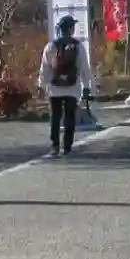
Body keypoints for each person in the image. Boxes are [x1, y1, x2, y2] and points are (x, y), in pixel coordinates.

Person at [38, 15, 94, 157]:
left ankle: (55, 147)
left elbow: (45, 68)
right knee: (70, 117)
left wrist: (42, 85)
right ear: (71, 29)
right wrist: (86, 86)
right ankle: (67, 147)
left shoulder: (51, 46)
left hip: (54, 87)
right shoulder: (78, 46)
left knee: (55, 117)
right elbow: (84, 68)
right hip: (72, 88)